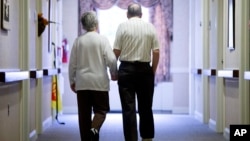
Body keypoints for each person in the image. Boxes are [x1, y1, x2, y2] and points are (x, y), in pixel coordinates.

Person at [113, 3, 160, 141]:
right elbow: (156, 52)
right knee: (146, 107)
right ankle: (147, 138)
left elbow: (116, 52)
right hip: (145, 70)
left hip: (126, 70)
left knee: (129, 109)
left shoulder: (122, 26)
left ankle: (131, 139)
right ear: (141, 14)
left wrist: (113, 71)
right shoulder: (150, 27)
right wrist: (153, 70)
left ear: (127, 14)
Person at [68, 11, 117, 141]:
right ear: (96, 24)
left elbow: (72, 64)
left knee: (84, 117)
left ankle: (88, 136)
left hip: (82, 84)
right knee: (101, 111)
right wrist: (113, 73)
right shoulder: (103, 40)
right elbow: (112, 60)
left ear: (83, 25)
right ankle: (94, 131)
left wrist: (72, 81)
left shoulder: (78, 41)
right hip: (99, 84)